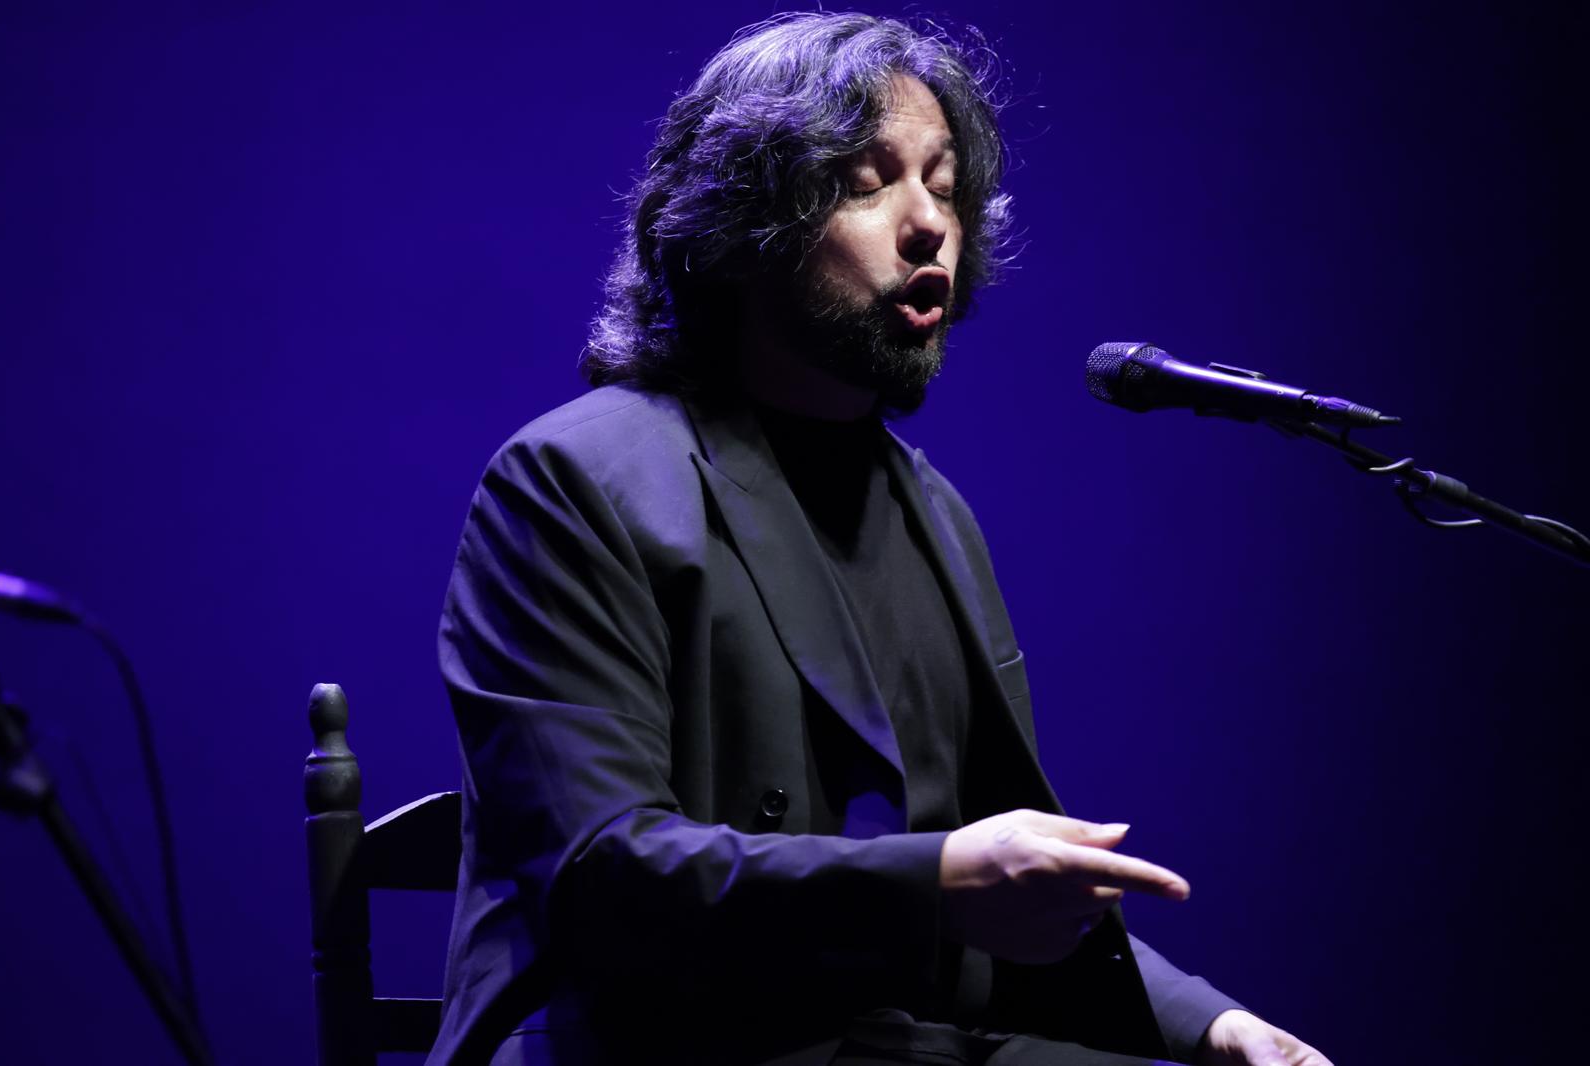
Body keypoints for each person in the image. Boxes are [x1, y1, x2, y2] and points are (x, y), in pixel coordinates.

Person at [430, 13, 1332, 1066]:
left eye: (944, 186)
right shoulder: (571, 480)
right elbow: (602, 877)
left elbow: (1013, 864)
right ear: (743, 223)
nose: (928, 226)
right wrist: (937, 881)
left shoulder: (931, 511)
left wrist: (1213, 1025)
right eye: (869, 182)